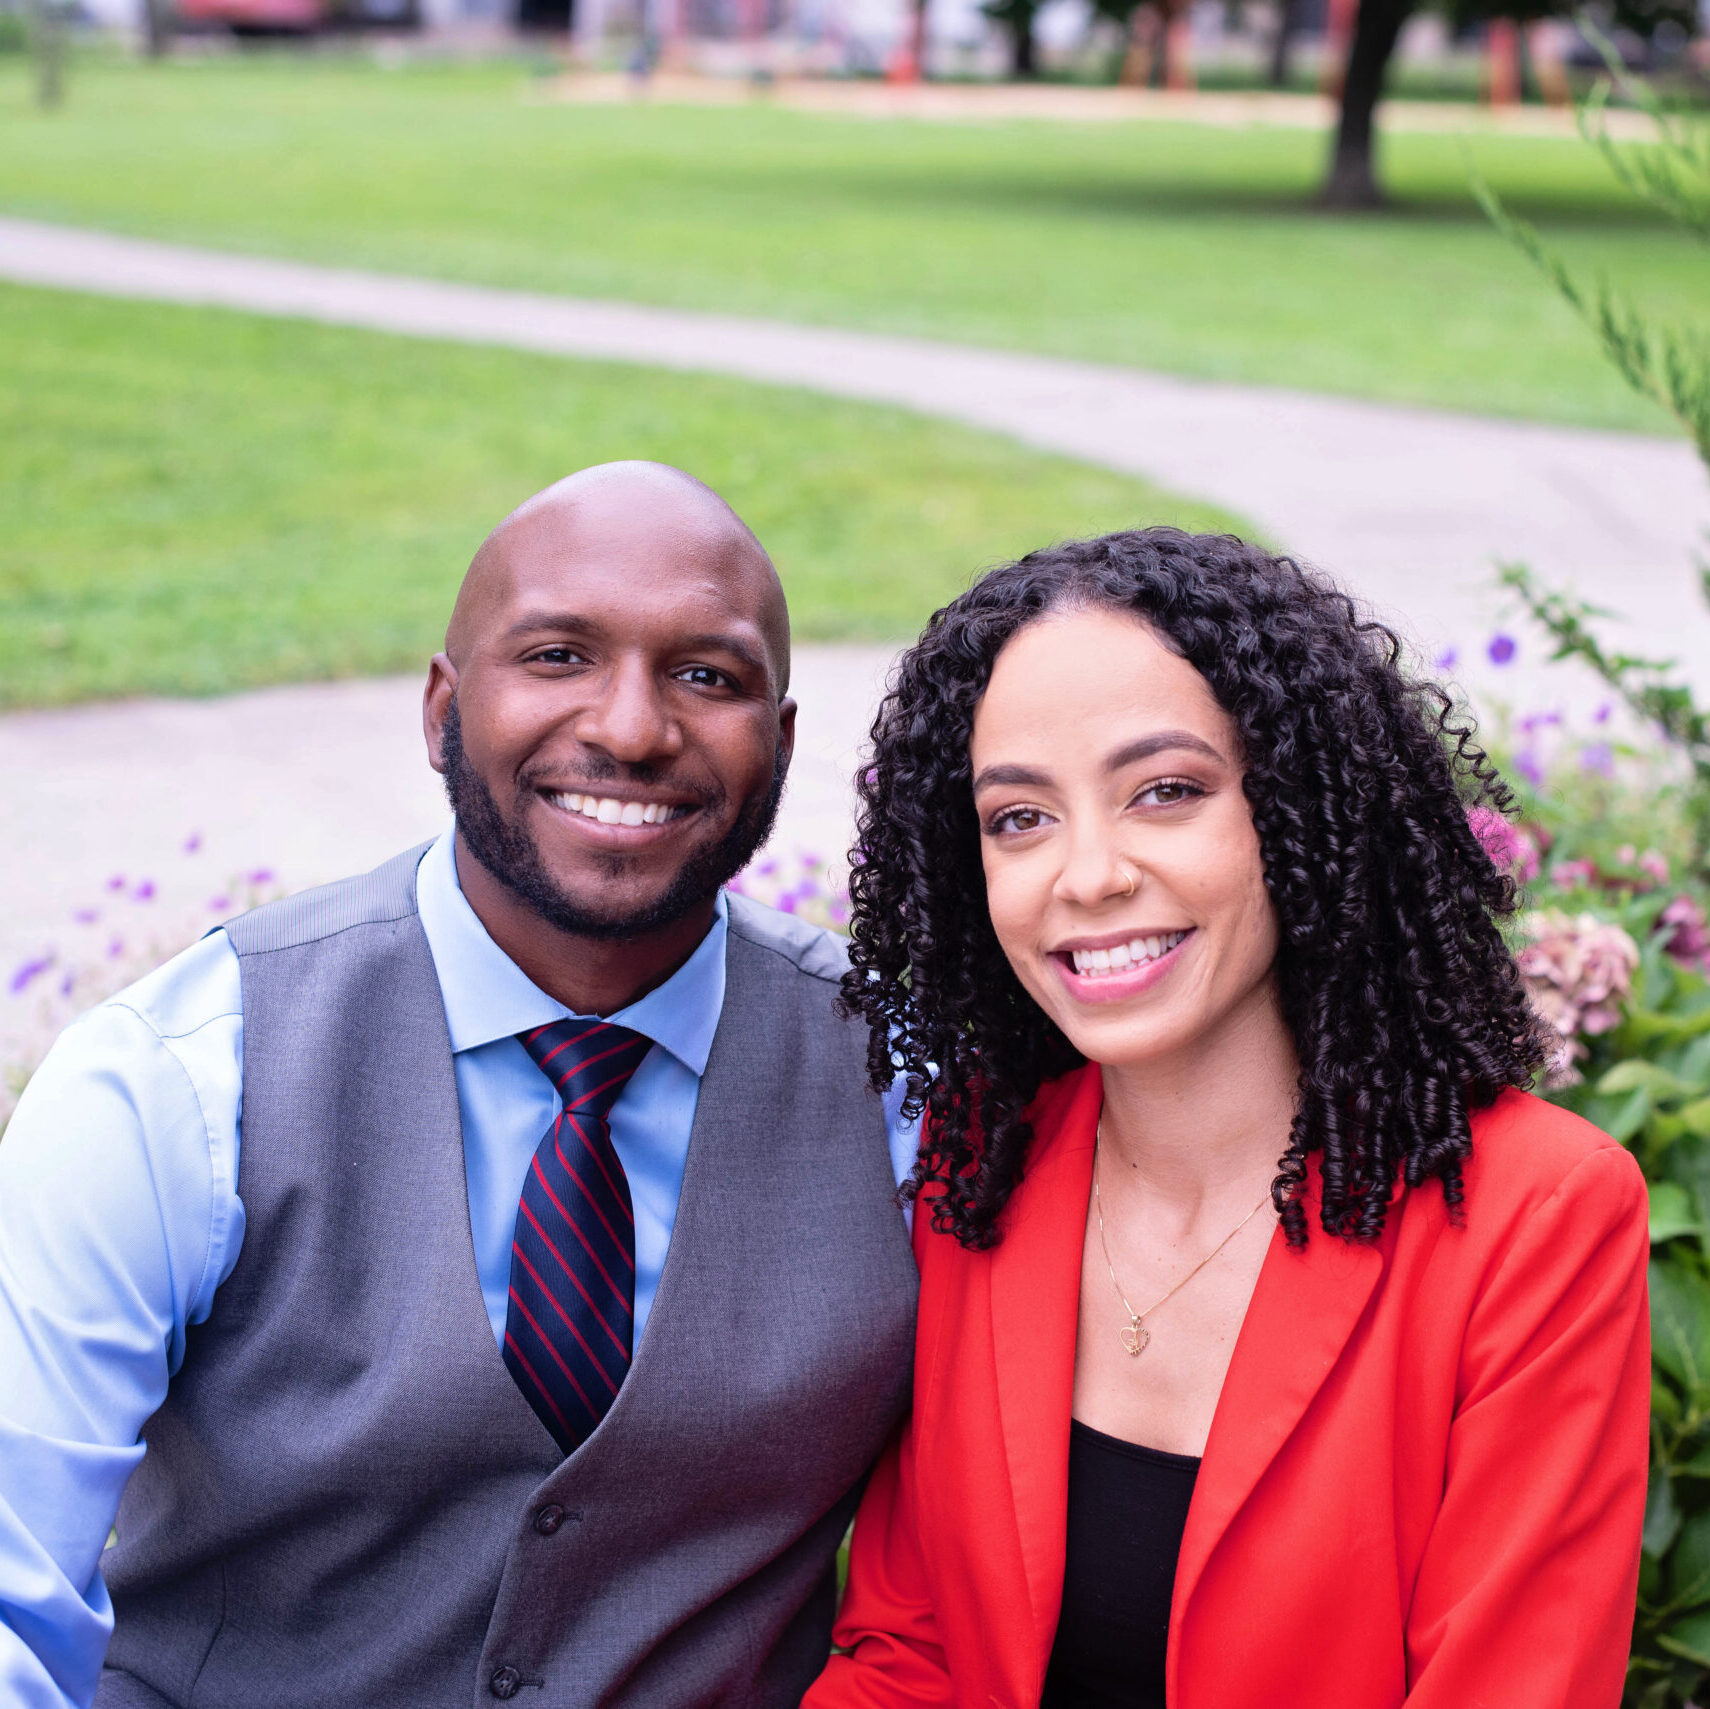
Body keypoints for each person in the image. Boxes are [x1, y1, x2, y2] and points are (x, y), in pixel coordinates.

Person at [0, 462, 919, 1709]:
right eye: (556, 656)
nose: (633, 728)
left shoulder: (901, 1082)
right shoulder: (178, 1076)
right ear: (441, 710)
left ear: (783, 739)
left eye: (708, 674)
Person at [806, 527, 1650, 1709]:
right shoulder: (981, 1170)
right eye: (1020, 817)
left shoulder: (1531, 1214)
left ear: (1298, 809)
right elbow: (914, 1652)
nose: (1086, 873)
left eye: (1167, 791)